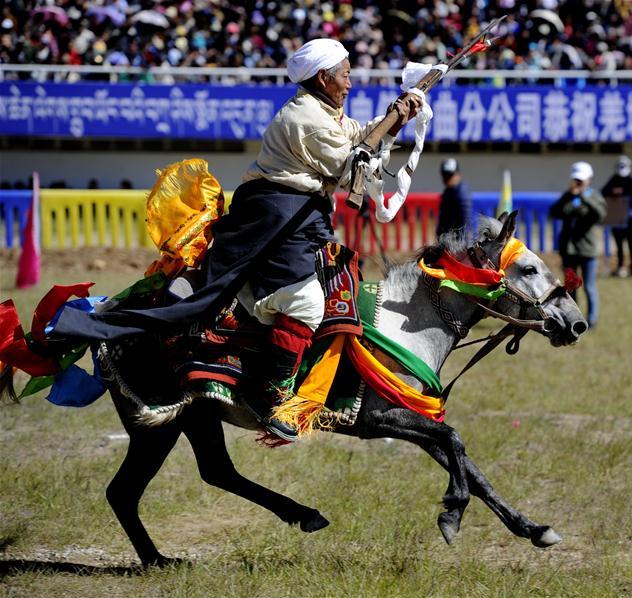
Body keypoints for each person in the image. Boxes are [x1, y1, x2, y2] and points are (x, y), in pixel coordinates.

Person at [49, 38, 423, 440]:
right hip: (273, 219)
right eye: (346, 75)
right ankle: (274, 399)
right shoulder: (303, 119)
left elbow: (360, 139)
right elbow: (350, 166)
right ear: (323, 77)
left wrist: (394, 119)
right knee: (308, 302)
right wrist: (393, 120)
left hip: (300, 220)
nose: (350, 83)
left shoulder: (327, 112)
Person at [549, 161, 607, 329]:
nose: (579, 183)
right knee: (571, 287)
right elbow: (555, 212)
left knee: (589, 287)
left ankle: (592, 320)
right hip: (569, 250)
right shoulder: (568, 196)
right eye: (576, 179)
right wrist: (570, 195)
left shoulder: (594, 196)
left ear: (590, 179)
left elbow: (600, 214)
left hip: (587, 250)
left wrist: (583, 196)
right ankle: (573, 319)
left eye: (582, 180)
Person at [601, 155, 632, 278]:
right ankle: (620, 266)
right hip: (617, 218)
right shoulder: (613, 179)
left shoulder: (631, 180)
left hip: (629, 218)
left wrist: (619, 192)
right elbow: (604, 191)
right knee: (619, 245)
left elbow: (631, 194)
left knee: (631, 245)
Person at [436, 158, 472, 240]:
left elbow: (466, 224)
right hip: (447, 242)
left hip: (456, 245)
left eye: (450, 175)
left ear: (458, 174)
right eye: (445, 175)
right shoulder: (449, 191)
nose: (447, 178)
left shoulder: (461, 193)